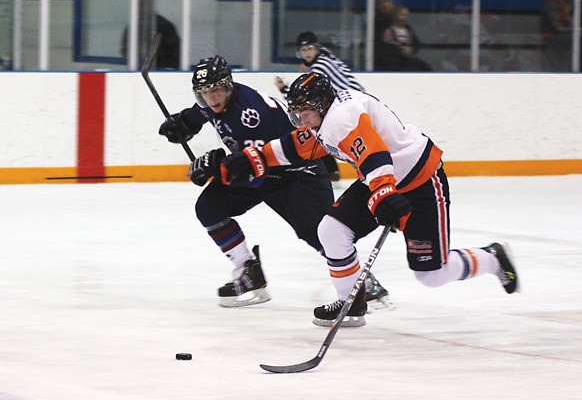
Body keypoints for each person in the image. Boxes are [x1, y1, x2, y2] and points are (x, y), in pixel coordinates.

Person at [220, 73, 519, 328]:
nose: (301, 120)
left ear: (322, 105)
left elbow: (375, 155)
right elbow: (303, 144)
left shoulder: (341, 119)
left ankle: (493, 258)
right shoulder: (326, 118)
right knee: (331, 230)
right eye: (296, 113)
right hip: (382, 180)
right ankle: (350, 300)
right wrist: (255, 157)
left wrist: (383, 192)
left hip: (420, 181)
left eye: (304, 112)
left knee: (431, 274)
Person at [157, 56, 392, 310]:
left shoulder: (252, 113)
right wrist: (180, 126)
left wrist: (216, 167)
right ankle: (249, 271)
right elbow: (196, 117)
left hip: (298, 173)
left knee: (319, 233)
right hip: (260, 173)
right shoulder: (210, 102)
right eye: (205, 92)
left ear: (228, 85)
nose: (212, 98)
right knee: (209, 207)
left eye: (216, 90)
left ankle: (363, 283)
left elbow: (257, 164)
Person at [273, 31, 363, 181]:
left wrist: (283, 88)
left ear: (316, 48)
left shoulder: (320, 67)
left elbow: (305, 98)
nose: (307, 53)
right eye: (303, 50)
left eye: (309, 48)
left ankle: (332, 169)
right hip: (353, 102)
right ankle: (333, 170)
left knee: (318, 132)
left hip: (349, 107)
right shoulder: (326, 59)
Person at [541, 0, 582, 72]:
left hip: (562, 35)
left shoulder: (566, 5)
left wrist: (577, 30)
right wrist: (576, 31)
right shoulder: (552, 5)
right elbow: (556, 28)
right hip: (551, 36)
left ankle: (581, 66)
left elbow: (569, 24)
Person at [381, 5, 432, 71]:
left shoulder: (409, 30)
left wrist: (411, 49)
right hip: (393, 61)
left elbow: (417, 43)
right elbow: (386, 47)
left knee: (422, 65)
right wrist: (401, 50)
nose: (405, 18)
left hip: (407, 59)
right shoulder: (389, 30)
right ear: (395, 16)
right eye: (402, 15)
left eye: (407, 15)